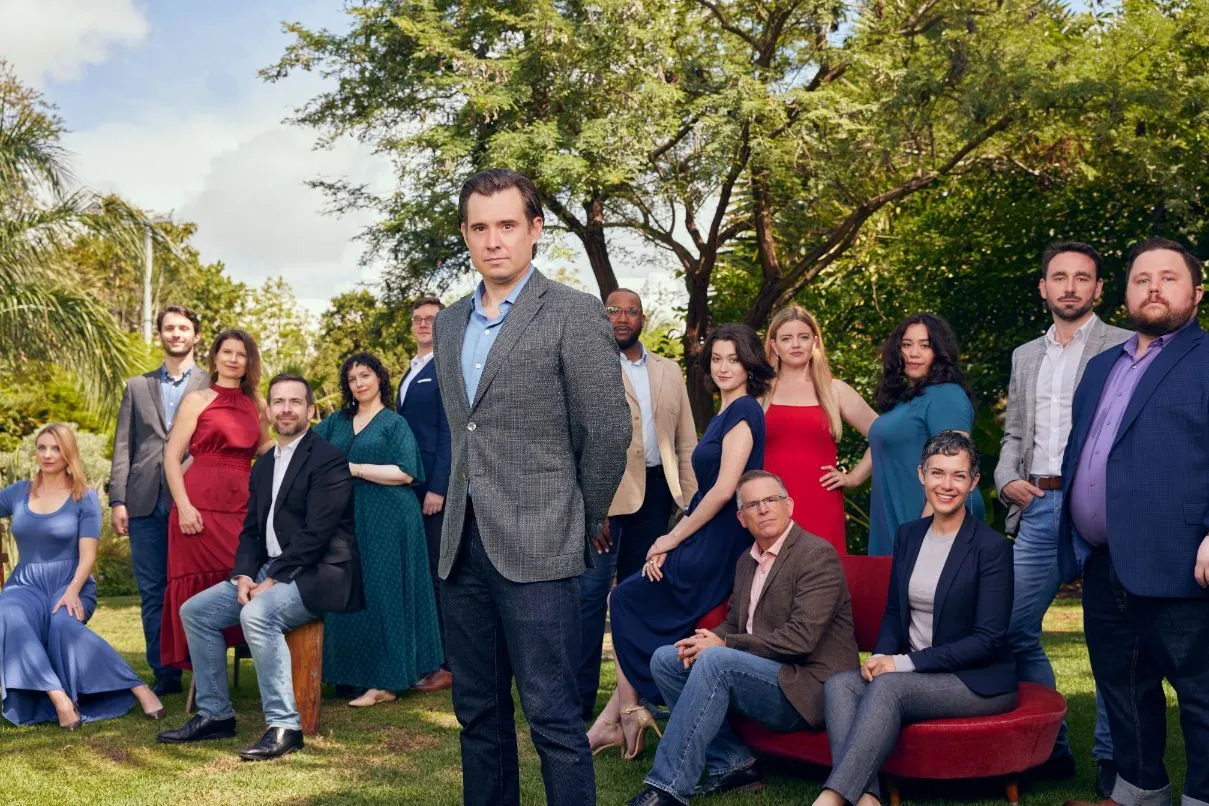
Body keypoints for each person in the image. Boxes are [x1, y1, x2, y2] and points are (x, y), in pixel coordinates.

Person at [431, 168, 630, 806]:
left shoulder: (573, 312)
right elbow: (465, 431)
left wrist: (580, 516)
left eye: (507, 225)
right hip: (461, 544)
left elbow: (606, 430)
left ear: (535, 229)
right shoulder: (448, 323)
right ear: (465, 234)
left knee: (553, 716)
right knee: (478, 716)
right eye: (480, 227)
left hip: (542, 543)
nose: (494, 240)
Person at [1060, 238, 1209, 806]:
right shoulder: (1103, 366)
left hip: (1181, 559)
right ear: (1124, 292)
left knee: (1200, 693)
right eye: (1142, 278)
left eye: (1169, 278)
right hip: (1103, 560)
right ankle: (1140, 792)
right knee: (1122, 687)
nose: (1154, 288)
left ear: (1197, 293)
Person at [157, 374, 363, 760]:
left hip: (321, 573)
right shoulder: (264, 465)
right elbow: (251, 531)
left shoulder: (328, 459)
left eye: (295, 402)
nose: (286, 409)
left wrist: (275, 579)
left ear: (310, 411)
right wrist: (245, 575)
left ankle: (285, 726)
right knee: (196, 611)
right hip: (271, 568)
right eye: (278, 402)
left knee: (257, 614)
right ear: (268, 412)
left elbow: (318, 533)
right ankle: (215, 715)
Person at [625, 470, 859, 806]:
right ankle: (733, 765)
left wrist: (723, 645)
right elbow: (736, 625)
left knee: (717, 661)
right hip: (765, 676)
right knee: (668, 659)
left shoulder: (816, 555)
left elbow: (801, 639)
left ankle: (667, 788)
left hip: (810, 688)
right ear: (741, 518)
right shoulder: (746, 562)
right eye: (753, 504)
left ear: (789, 505)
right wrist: (704, 640)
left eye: (771, 500)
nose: (763, 509)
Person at [594, 323, 771, 760]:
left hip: (722, 540)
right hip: (703, 532)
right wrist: (669, 541)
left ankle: (627, 713)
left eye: (733, 359)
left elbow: (724, 490)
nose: (724, 367)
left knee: (626, 598)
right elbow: (701, 494)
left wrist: (671, 538)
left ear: (749, 365)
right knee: (629, 595)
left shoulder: (745, 411)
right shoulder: (724, 413)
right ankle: (617, 719)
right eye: (717, 359)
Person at [814, 431, 1017, 806]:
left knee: (889, 687)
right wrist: (882, 656)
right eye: (937, 473)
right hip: (914, 672)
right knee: (840, 685)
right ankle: (868, 799)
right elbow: (895, 611)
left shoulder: (992, 548)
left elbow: (987, 640)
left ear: (973, 482)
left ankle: (830, 798)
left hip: (975, 680)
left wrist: (901, 664)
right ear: (921, 474)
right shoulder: (908, 536)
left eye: (958, 475)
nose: (947, 485)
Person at [993, 242, 1129, 792]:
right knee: (1011, 628)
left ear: (1098, 288)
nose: (1070, 286)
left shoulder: (1124, 345)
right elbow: (1014, 432)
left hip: (1104, 506)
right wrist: (1005, 478)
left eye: (1082, 277)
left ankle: (1112, 756)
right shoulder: (1026, 355)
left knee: (1112, 636)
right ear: (1043, 287)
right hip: (1040, 505)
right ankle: (1052, 748)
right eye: (1059, 276)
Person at [578, 286, 699, 720]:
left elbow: (686, 441)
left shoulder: (669, 370)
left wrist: (690, 504)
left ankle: (637, 697)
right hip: (605, 497)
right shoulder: (585, 367)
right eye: (613, 310)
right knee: (591, 597)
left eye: (631, 311)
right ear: (602, 317)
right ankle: (577, 701)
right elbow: (574, 441)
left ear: (642, 319)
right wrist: (593, 506)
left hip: (657, 496)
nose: (622, 318)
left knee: (640, 597)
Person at [0, 424, 165, 727]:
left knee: (63, 626)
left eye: (56, 448)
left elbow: (88, 554)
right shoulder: (17, 493)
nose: (48, 455)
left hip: (71, 583)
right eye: (42, 448)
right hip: (25, 585)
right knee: (7, 613)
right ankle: (59, 698)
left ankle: (137, 686)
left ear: (69, 453)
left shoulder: (83, 497)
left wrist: (73, 590)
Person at [319, 351, 442, 706]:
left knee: (385, 593)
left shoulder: (393, 423)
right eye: (352, 378)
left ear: (379, 379)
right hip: (348, 516)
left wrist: (354, 469)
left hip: (390, 515)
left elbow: (406, 472)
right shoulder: (336, 422)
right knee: (349, 590)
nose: (359, 383)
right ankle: (349, 675)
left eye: (365, 375)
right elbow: (307, 447)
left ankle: (386, 682)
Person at [109, 305, 209, 695]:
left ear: (196, 336)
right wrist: (118, 500)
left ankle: (200, 668)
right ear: (161, 334)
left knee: (194, 587)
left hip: (194, 499)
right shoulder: (137, 386)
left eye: (183, 328)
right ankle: (165, 672)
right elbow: (124, 445)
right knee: (153, 590)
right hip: (144, 502)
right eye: (169, 328)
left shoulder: (211, 382)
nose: (176, 334)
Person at [159, 329, 270, 669]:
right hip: (197, 507)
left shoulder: (258, 405)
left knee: (241, 574)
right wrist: (184, 507)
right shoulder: (197, 399)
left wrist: (304, 446)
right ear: (215, 357)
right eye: (227, 352)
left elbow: (264, 449)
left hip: (241, 506)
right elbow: (171, 456)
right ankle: (205, 676)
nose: (234, 359)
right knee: (200, 587)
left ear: (249, 362)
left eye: (241, 354)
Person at [762, 305, 878, 555]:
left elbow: (885, 437)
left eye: (803, 337)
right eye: (786, 338)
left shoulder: (835, 390)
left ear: (815, 342)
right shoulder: (759, 392)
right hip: (768, 507)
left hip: (821, 503)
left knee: (821, 573)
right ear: (774, 346)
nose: (796, 344)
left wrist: (854, 477)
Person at [866, 313, 985, 556]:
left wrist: (925, 532)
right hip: (901, 520)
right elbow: (881, 444)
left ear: (939, 352)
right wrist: (851, 478)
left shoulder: (946, 395)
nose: (913, 353)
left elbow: (953, 471)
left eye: (925, 345)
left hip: (932, 521)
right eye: (906, 345)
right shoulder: (905, 400)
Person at [396, 294, 454, 694]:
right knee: (421, 575)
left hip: (433, 488)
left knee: (439, 575)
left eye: (431, 318)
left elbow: (451, 430)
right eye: (417, 318)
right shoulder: (411, 370)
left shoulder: (446, 366)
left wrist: (439, 486)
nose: (423, 324)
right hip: (409, 487)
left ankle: (448, 664)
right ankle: (427, 658)